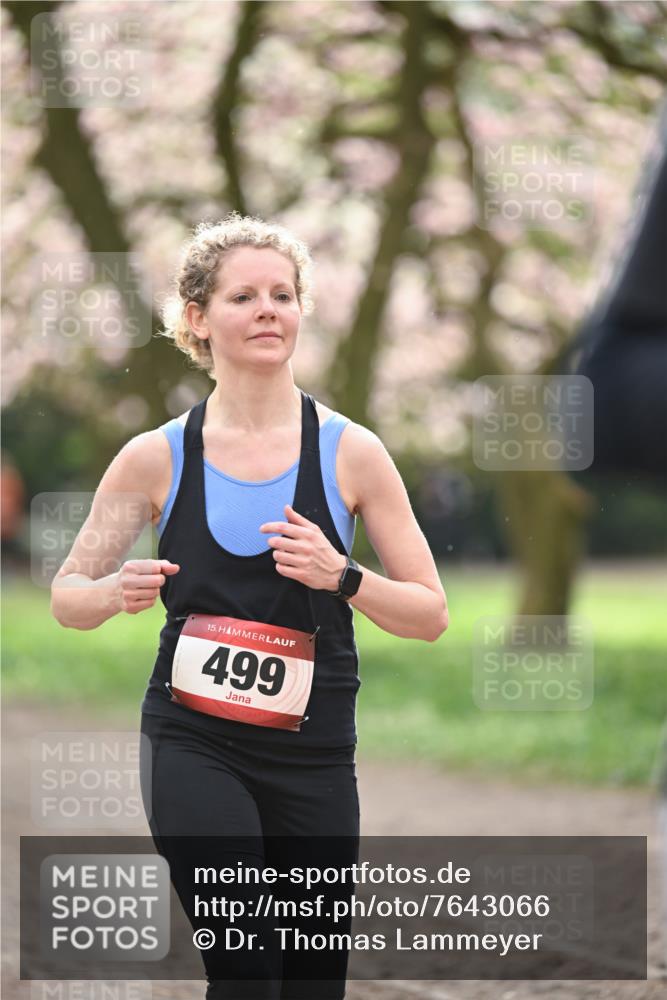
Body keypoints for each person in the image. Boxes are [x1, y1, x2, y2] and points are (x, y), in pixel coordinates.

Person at [51, 213, 448, 999]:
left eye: (283, 294)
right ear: (197, 319)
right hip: (193, 741)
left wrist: (344, 578)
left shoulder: (354, 452)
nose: (268, 309)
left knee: (310, 980)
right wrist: (110, 591)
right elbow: (67, 596)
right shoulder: (154, 456)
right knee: (246, 968)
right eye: (244, 296)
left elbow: (430, 614)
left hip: (316, 752)